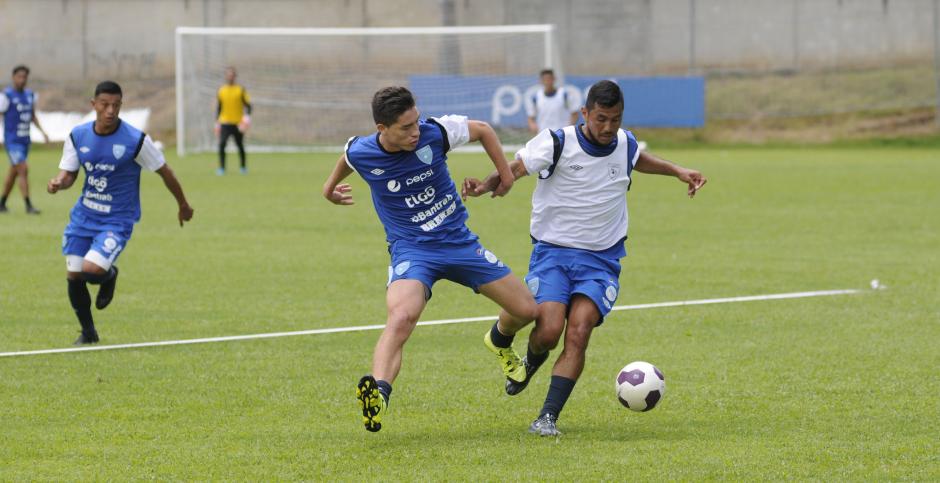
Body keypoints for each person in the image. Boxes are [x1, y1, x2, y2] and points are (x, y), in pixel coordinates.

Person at [462, 80, 707, 436]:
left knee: (578, 332)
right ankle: (521, 352)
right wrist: (486, 185)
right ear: (585, 114)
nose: (608, 128)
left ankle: (547, 417)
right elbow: (515, 168)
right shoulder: (558, 141)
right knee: (547, 331)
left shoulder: (624, 142)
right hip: (554, 254)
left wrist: (678, 171)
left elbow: (638, 158)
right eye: (601, 119)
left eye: (616, 120)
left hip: (602, 260)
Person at [322, 86, 538, 433]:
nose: (415, 132)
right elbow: (347, 158)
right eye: (405, 128)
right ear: (382, 129)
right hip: (412, 251)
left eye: (416, 122)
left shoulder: (435, 132)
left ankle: (499, 339)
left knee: (528, 311)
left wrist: (506, 174)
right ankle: (378, 394)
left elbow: (483, 129)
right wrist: (329, 188)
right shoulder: (364, 151)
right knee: (402, 317)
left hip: (459, 244)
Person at [47, 81, 194, 345]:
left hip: (116, 219)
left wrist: (182, 204)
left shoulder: (135, 140)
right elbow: (70, 174)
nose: (110, 111)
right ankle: (88, 332)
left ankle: (109, 275)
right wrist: (59, 182)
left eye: (116, 105)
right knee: (74, 273)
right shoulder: (77, 136)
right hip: (84, 216)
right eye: (104, 104)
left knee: (91, 270)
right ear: (94, 105)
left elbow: (165, 171)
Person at [1, 65, 49, 214]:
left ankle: (1, 203)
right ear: (13, 77)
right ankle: (28, 206)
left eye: (24, 77)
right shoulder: (6, 96)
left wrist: (43, 133)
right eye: (19, 76)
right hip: (12, 141)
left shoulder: (30, 95)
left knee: (14, 173)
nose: (22, 80)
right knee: (23, 169)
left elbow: (32, 116)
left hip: (24, 141)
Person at [215, 66, 251, 175]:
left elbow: (248, 106)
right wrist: (216, 122)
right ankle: (222, 168)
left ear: (235, 76)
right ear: (226, 76)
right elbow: (219, 107)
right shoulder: (221, 90)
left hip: (238, 123)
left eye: (232, 75)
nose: (230, 77)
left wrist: (246, 119)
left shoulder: (240, 90)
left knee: (240, 145)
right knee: (222, 144)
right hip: (225, 122)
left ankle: (243, 167)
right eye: (228, 75)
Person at [524, 68, 580, 134]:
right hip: (544, 135)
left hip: (562, 134)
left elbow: (574, 113)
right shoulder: (536, 97)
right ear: (541, 81)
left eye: (549, 79)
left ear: (554, 79)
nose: (547, 82)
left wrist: (568, 129)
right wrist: (533, 126)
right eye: (545, 79)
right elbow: (531, 117)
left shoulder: (564, 95)